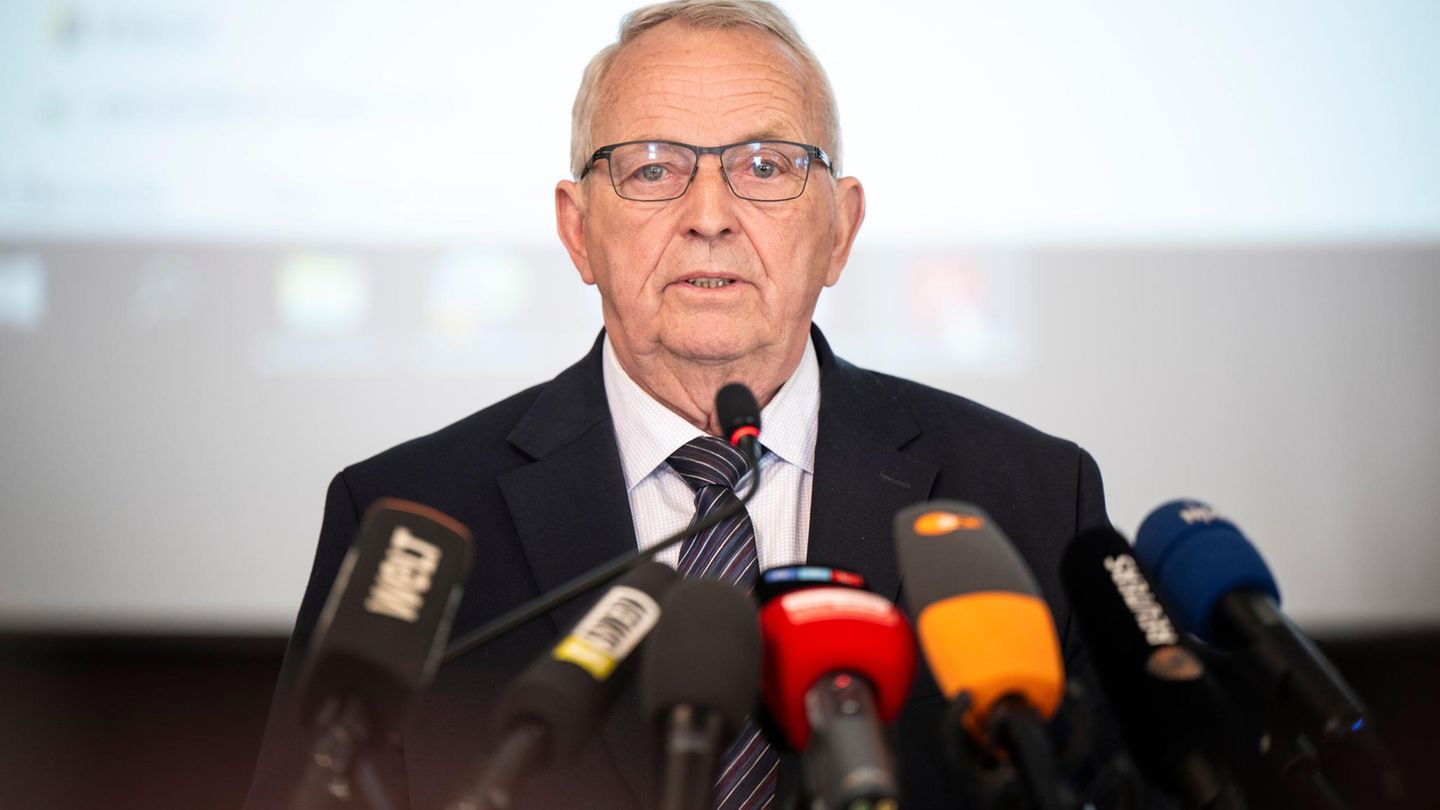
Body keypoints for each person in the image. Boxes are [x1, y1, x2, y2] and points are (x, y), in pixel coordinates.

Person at [246, 2, 1113, 808]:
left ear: (840, 230)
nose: (709, 215)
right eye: (653, 168)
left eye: (766, 166)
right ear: (578, 229)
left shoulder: (1029, 498)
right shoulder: (412, 514)